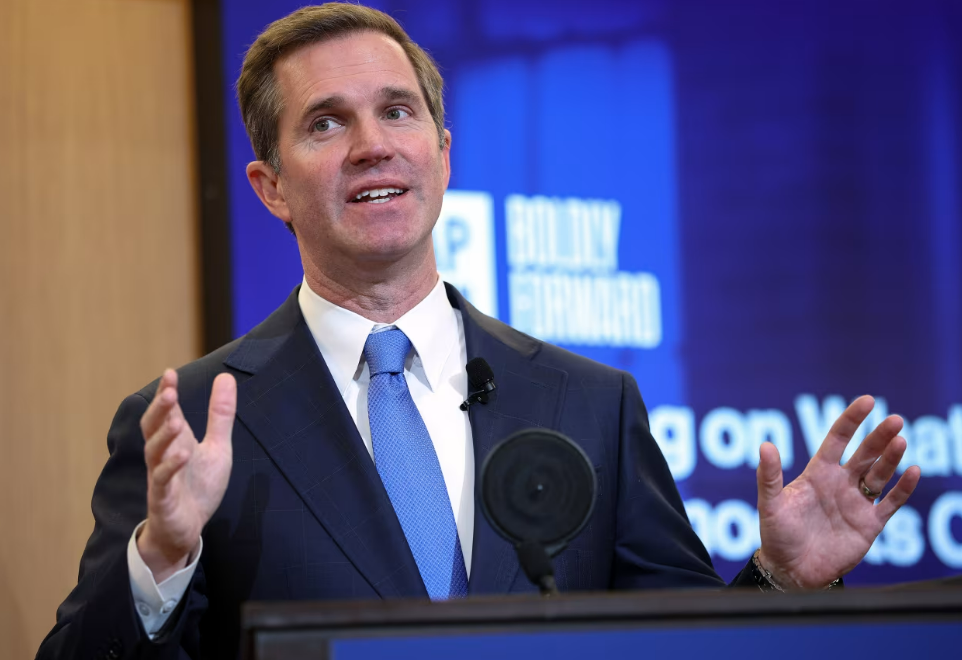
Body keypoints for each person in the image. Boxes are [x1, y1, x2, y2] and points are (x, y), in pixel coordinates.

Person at [36, 4, 921, 659]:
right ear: (270, 188)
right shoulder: (193, 421)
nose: (372, 145)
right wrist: (163, 556)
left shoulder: (591, 403)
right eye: (326, 122)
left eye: (397, 111)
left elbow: (682, 646)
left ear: (444, 153)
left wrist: (779, 581)